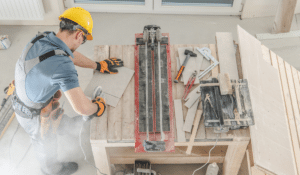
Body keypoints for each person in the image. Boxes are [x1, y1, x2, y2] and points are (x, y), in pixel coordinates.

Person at [12, 7, 123, 175]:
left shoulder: (43, 38)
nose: (81, 43)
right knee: (44, 141)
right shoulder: (62, 66)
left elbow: (67, 54)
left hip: (24, 96)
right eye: (83, 39)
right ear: (79, 34)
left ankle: (67, 127)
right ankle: (51, 170)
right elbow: (83, 108)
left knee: (59, 122)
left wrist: (97, 65)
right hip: (32, 114)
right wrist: (97, 107)